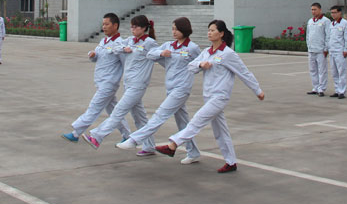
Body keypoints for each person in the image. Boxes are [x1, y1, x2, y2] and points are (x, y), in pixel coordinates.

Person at [156, 20, 265, 173]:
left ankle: (173, 145)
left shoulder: (228, 54)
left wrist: (257, 90)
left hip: (220, 97)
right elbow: (190, 66)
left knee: (197, 120)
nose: (209, 33)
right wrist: (201, 65)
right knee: (220, 130)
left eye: (213, 30)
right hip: (208, 95)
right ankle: (231, 162)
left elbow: (244, 73)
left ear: (221, 33)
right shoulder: (206, 52)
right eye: (208, 30)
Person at [116, 17, 202, 164]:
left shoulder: (192, 48)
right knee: (183, 122)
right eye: (173, 29)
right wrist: (162, 54)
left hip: (182, 89)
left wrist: (191, 70)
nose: (174, 32)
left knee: (160, 114)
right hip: (170, 87)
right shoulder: (168, 45)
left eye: (177, 29)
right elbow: (150, 54)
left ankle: (135, 139)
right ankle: (193, 152)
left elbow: (200, 63)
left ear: (184, 29)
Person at [82, 15, 158, 155]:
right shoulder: (129, 41)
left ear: (144, 28)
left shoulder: (149, 43)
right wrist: (124, 49)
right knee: (139, 117)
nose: (133, 29)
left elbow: (157, 54)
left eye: (136, 27)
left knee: (118, 111)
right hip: (128, 83)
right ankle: (149, 146)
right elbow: (115, 47)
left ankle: (97, 136)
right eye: (131, 26)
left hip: (138, 84)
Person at [61, 13, 131, 143]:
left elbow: (125, 64)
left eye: (107, 24)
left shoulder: (120, 44)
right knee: (114, 111)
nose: (104, 27)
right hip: (100, 81)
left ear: (115, 25)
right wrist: (92, 55)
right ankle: (127, 135)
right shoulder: (103, 41)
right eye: (103, 24)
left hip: (109, 83)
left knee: (94, 108)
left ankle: (76, 133)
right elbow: (96, 57)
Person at [306, 3, 330, 96]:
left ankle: (321, 89)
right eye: (312, 9)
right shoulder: (310, 21)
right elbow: (308, 35)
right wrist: (308, 46)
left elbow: (328, 35)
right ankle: (315, 87)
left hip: (321, 50)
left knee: (322, 70)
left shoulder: (325, 21)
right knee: (313, 70)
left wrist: (326, 48)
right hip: (312, 49)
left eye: (315, 9)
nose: (313, 11)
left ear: (320, 10)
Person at [328, 6, 347, 99]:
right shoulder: (332, 24)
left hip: (340, 51)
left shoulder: (345, 23)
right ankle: (337, 90)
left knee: (341, 71)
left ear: (339, 13)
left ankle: (342, 91)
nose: (333, 14)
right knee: (334, 72)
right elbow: (330, 37)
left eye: (335, 12)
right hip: (332, 50)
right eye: (332, 13)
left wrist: (346, 49)